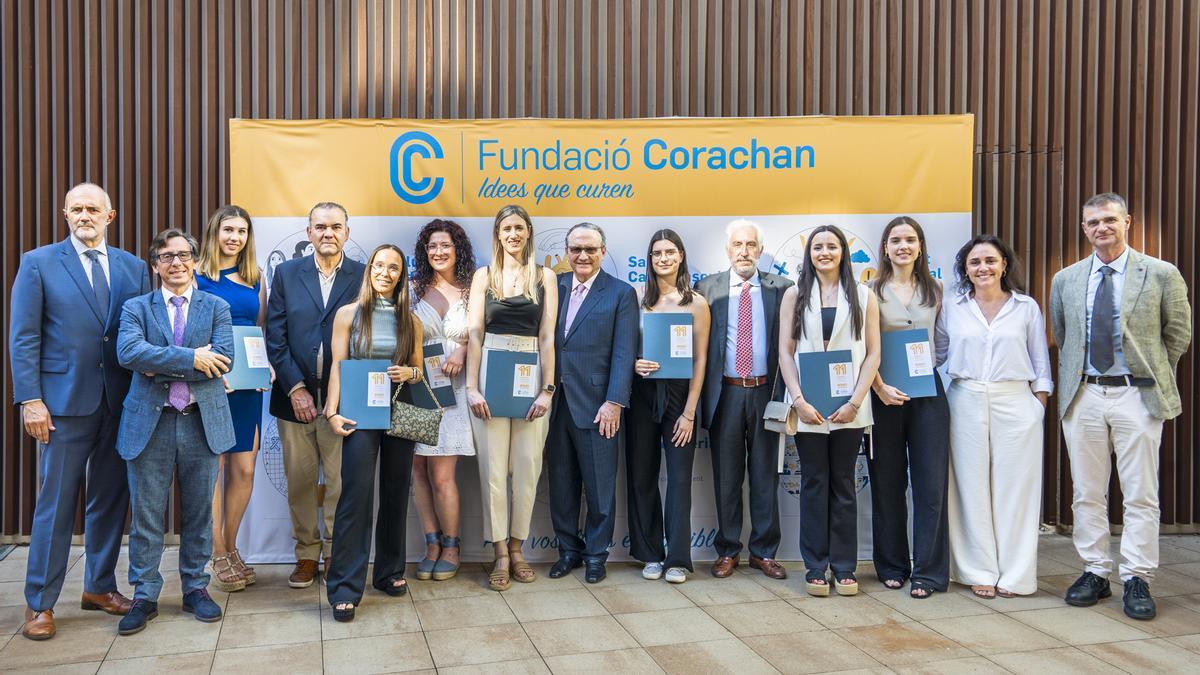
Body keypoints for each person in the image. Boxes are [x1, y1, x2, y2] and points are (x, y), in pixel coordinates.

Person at [9, 183, 149, 640]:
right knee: (55, 502)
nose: (84, 215)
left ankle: (99, 587)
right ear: (66, 214)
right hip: (63, 405)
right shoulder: (39, 263)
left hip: (121, 401)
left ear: (111, 216)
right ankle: (40, 603)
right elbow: (24, 336)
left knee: (110, 499)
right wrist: (30, 399)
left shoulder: (135, 268)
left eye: (93, 208)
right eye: (76, 209)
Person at [1050, 193, 1192, 621]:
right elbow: (1064, 334)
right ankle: (1095, 570)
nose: (1101, 228)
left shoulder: (1162, 273)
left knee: (1140, 493)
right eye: (1092, 222)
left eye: (1109, 220)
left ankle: (1137, 576)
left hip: (1138, 394)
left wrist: (1148, 373)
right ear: (1084, 228)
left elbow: (1178, 335)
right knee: (1087, 491)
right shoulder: (1067, 280)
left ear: (1127, 221)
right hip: (1085, 394)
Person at [114, 229, 236, 635]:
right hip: (151, 422)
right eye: (167, 256)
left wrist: (159, 363)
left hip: (202, 421)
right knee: (146, 515)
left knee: (200, 512)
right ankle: (145, 594)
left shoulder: (216, 306)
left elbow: (223, 360)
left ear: (196, 261)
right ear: (155, 265)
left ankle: (196, 588)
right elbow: (129, 352)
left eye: (184, 255)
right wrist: (191, 358)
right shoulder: (136, 307)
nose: (177, 263)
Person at [936, 234, 1052, 599]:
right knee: (968, 487)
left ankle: (1016, 576)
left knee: (1015, 490)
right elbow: (936, 352)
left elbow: (1040, 363)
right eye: (974, 262)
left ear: (1004, 264)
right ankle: (977, 570)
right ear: (965, 270)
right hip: (965, 397)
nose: (982, 268)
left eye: (990, 260)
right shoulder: (952, 307)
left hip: (1016, 400)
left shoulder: (1026, 307)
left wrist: (1038, 406)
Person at [265, 202, 367, 588]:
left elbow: (367, 337)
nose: (328, 233)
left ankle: (338, 554)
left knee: (341, 484)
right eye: (320, 227)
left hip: (344, 403)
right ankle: (307, 555)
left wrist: (339, 397)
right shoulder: (287, 274)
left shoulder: (362, 277)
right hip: (295, 402)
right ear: (308, 233)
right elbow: (275, 337)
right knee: (301, 482)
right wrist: (295, 388)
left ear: (347, 231)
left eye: (335, 226)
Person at [778, 225, 880, 597]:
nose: (824, 252)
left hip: (849, 407)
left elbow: (873, 353)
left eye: (831, 246)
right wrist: (799, 400)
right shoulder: (795, 294)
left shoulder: (864, 295)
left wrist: (855, 400)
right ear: (809, 254)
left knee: (843, 486)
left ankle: (844, 566)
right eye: (817, 247)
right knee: (814, 483)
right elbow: (785, 353)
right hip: (809, 407)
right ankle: (816, 566)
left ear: (843, 252)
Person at [324, 245, 424, 622]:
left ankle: (388, 573)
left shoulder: (411, 321)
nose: (386, 272)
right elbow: (338, 364)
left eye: (393, 267)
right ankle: (345, 588)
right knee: (356, 497)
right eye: (379, 265)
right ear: (369, 270)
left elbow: (419, 371)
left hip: (399, 412)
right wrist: (332, 411)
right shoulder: (348, 314)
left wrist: (409, 373)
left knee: (396, 494)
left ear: (401, 275)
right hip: (358, 414)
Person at [465, 204, 559, 591]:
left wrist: (547, 389)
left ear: (529, 231)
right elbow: (474, 334)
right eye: (506, 228)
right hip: (490, 374)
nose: (513, 234)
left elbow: (548, 337)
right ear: (498, 234)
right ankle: (500, 552)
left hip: (531, 376)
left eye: (519, 227)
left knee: (527, 467)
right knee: (492, 473)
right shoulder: (483, 276)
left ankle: (519, 548)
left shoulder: (545, 276)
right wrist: (472, 387)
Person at [694, 219, 793, 579]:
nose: (744, 251)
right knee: (726, 476)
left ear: (761, 250)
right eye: (738, 245)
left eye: (751, 245)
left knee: (765, 475)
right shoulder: (707, 288)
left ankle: (764, 552)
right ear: (728, 250)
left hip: (767, 392)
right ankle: (727, 550)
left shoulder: (782, 288)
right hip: (726, 392)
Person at [546, 223, 639, 584]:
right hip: (555, 405)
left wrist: (614, 401)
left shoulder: (620, 293)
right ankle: (568, 551)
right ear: (567, 252)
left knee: (600, 489)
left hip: (599, 406)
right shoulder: (554, 288)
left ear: (603, 251)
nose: (582, 256)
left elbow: (624, 352)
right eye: (575, 249)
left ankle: (596, 555)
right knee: (561, 485)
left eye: (590, 249)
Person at [867, 217, 950, 598]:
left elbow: (943, 342)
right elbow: (863, 349)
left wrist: (926, 369)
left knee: (930, 485)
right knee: (887, 483)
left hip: (928, 395)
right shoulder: (868, 291)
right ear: (885, 247)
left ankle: (929, 572)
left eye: (910, 240)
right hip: (883, 395)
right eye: (895, 240)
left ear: (920, 247)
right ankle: (892, 565)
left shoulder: (936, 288)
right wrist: (880, 386)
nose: (903, 246)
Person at [626, 229, 710, 584]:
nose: (663, 258)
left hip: (680, 398)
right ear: (649, 259)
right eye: (657, 253)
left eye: (670, 252)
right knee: (642, 475)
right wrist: (634, 363)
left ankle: (678, 558)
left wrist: (690, 411)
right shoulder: (635, 299)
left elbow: (700, 361)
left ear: (681, 257)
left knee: (678, 479)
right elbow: (624, 349)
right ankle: (650, 554)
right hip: (642, 395)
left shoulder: (697, 303)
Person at [194, 205, 270, 593]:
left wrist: (265, 366)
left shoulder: (256, 279)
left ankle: (233, 543)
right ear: (215, 232)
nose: (234, 237)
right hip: (209, 382)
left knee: (244, 468)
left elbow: (258, 329)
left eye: (241, 231)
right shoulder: (196, 276)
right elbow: (185, 330)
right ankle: (218, 550)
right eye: (228, 229)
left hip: (247, 386)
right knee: (214, 468)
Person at [410, 220, 477, 582]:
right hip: (419, 388)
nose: (438, 252)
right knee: (418, 470)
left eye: (445, 246)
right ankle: (431, 543)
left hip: (454, 393)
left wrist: (464, 349)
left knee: (442, 474)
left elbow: (485, 332)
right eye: (432, 246)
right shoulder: (413, 290)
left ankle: (452, 546)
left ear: (457, 250)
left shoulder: (473, 289)